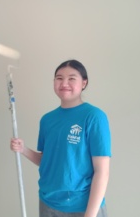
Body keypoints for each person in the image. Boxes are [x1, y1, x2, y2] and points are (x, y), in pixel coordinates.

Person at [10, 60, 111, 217]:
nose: (64, 83)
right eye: (59, 78)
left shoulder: (94, 117)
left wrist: (90, 215)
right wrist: (23, 149)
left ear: (84, 83)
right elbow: (48, 160)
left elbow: (102, 171)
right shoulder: (47, 120)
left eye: (72, 78)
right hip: (49, 203)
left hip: (83, 206)